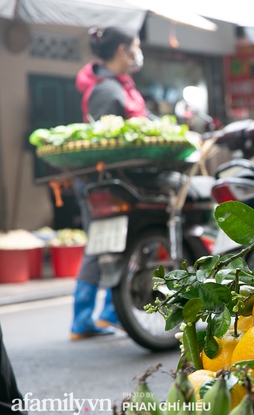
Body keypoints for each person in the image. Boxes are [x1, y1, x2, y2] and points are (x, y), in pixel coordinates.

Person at [70, 26, 147, 340]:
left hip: (112, 180)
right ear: (121, 51)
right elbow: (105, 140)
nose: (137, 53)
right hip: (102, 182)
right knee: (103, 244)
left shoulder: (118, 84)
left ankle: (104, 314)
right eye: (136, 46)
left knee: (113, 243)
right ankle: (86, 317)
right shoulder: (106, 90)